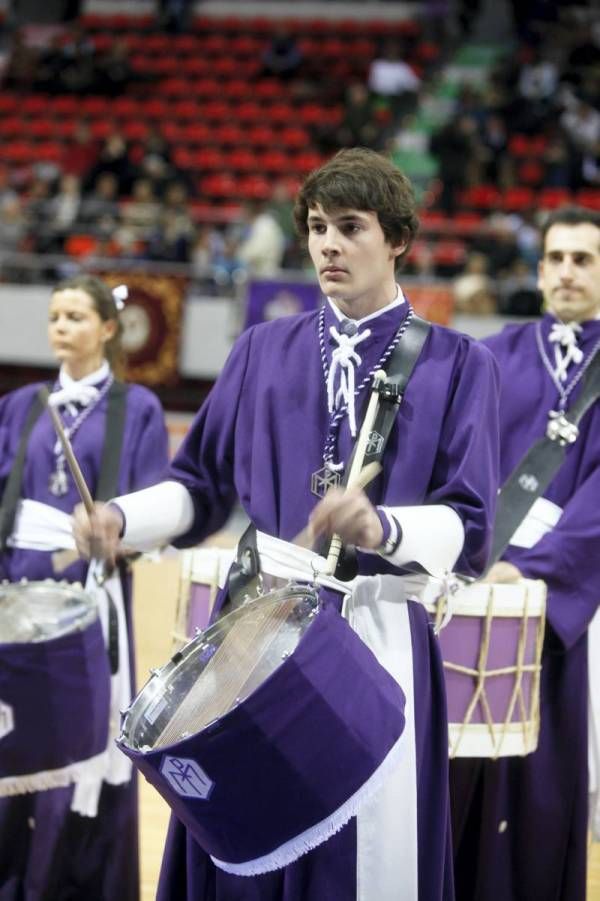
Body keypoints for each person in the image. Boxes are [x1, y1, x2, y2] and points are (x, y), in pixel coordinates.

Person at [73, 148, 500, 901]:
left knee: (367, 858)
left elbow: (471, 525)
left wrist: (381, 529)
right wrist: (120, 517)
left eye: (350, 227)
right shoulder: (260, 349)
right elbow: (198, 487)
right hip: (254, 629)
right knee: (248, 844)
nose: (328, 244)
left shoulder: (459, 363)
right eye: (316, 228)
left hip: (377, 636)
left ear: (397, 238)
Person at [0, 274, 170, 900]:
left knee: (75, 742)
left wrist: (107, 536)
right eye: (54, 316)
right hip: (15, 593)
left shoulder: (139, 407)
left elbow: (154, 506)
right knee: (13, 736)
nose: (61, 327)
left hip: (89, 594)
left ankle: (65, 882)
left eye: (75, 316)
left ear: (106, 328)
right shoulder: (21, 405)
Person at [450, 206, 600, 901]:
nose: (568, 271)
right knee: (459, 780)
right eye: (558, 258)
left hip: (560, 606)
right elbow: (457, 466)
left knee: (542, 787)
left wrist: (537, 567)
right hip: (477, 595)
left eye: (585, 259)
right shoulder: (493, 356)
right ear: (539, 271)